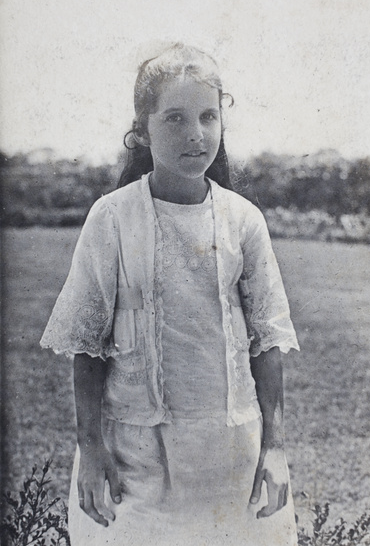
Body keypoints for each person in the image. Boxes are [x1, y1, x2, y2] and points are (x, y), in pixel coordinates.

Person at [41, 43, 300, 546]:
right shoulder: (112, 219)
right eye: (176, 118)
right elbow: (87, 347)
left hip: (231, 460)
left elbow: (267, 342)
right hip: (136, 460)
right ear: (142, 130)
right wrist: (90, 453)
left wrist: (275, 448)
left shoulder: (243, 221)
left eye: (207, 116)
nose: (195, 134)